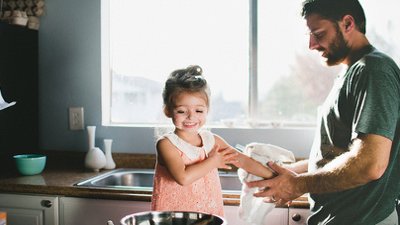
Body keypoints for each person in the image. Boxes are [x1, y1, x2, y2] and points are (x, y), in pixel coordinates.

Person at [247, 0, 400, 224]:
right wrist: (288, 173)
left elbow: (370, 164)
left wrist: (298, 184)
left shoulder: (373, 71)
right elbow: (338, 154)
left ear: (348, 23)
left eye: (318, 34)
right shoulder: (351, 73)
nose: (311, 45)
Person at [151, 65, 274, 217]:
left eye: (199, 111)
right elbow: (183, 177)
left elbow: (242, 160)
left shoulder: (211, 141)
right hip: (173, 218)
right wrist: (213, 162)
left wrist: (273, 178)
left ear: (207, 110)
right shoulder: (166, 144)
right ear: (168, 111)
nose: (191, 117)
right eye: (182, 111)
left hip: (207, 215)